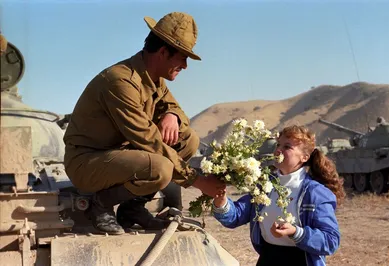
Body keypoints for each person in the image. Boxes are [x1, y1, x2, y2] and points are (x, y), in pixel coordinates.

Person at [63, 12, 225, 235]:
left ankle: (132, 209)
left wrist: (172, 115)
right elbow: (148, 141)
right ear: (162, 52)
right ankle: (98, 204)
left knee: (188, 140)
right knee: (160, 168)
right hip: (87, 162)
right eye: (182, 57)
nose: (185, 66)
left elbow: (179, 112)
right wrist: (196, 181)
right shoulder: (121, 81)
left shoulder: (154, 79)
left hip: (119, 157)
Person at [212, 125, 345, 266]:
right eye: (278, 145)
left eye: (287, 147)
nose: (278, 150)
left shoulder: (315, 193)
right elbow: (236, 216)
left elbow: (331, 241)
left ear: (304, 157)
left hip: (302, 261)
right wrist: (221, 201)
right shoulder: (264, 186)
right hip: (268, 259)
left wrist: (296, 232)